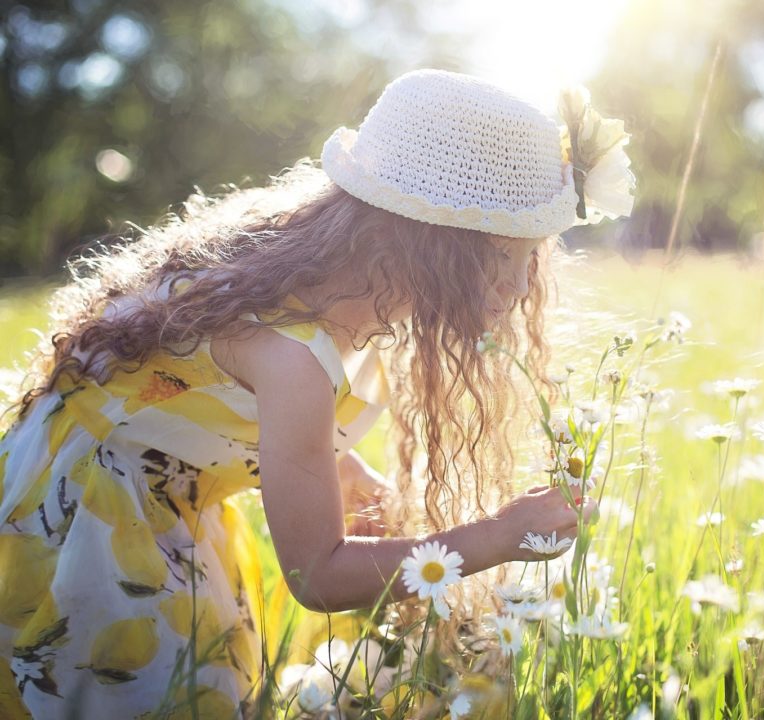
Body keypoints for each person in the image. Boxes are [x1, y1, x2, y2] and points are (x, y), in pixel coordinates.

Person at [0, 68, 630, 717]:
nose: (527, 287)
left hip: (146, 486)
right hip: (93, 525)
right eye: (509, 256)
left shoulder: (317, 276)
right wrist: (498, 536)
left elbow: (194, 400)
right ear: (432, 247)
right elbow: (316, 574)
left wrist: (339, 465)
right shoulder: (291, 355)